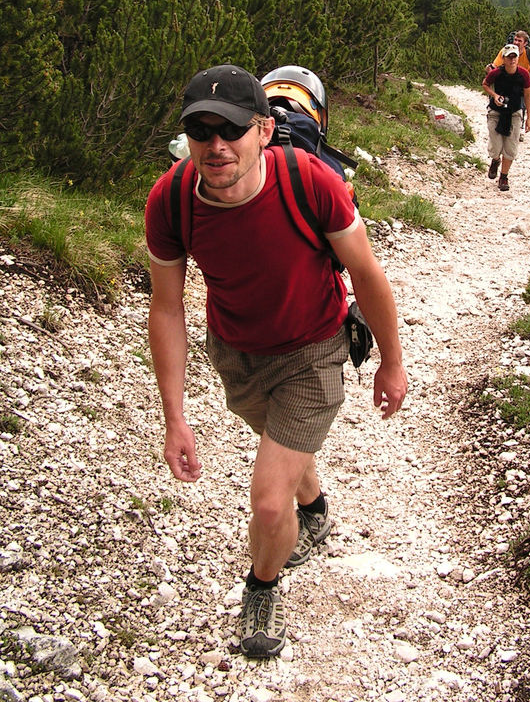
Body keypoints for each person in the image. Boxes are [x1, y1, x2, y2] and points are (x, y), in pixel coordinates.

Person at [144, 64, 408, 660]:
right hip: (235, 354)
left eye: (230, 130)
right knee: (282, 454)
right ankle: (313, 509)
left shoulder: (311, 182)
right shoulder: (172, 201)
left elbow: (365, 274)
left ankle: (262, 588)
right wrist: (174, 416)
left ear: (263, 130)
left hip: (314, 351)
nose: (215, 146)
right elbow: (166, 310)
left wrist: (392, 362)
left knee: (268, 499)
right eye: (200, 131)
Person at [482, 44, 530, 191]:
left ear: (518, 58)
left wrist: (529, 117)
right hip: (496, 112)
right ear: (503, 58)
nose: (512, 60)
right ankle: (495, 160)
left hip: (515, 112)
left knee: (511, 146)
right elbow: (485, 84)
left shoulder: (523, 75)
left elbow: (528, 95)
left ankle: (503, 177)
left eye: (514, 57)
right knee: (496, 145)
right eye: (509, 57)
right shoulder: (496, 73)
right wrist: (495, 95)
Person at [486, 30, 530, 140]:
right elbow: (495, 64)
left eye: (519, 40)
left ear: (525, 43)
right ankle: (503, 125)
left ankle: (518, 129)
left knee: (521, 104)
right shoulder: (506, 51)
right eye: (515, 39)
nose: (516, 42)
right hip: (506, 79)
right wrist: (490, 69)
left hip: (522, 80)